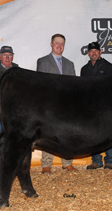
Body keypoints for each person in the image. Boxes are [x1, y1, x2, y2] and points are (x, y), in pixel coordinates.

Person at [37, 33, 77, 173]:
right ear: (51, 44)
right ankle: (46, 164)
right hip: (50, 105)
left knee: (67, 134)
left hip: (66, 105)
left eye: (62, 44)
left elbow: (74, 86)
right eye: (57, 43)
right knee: (48, 134)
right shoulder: (43, 61)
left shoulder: (69, 64)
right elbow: (41, 84)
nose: (59, 46)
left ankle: (67, 162)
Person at [81, 42, 112, 170]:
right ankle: (96, 160)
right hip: (90, 106)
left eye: (96, 51)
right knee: (93, 133)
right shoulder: (84, 69)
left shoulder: (109, 67)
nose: (94, 53)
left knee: (109, 132)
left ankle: (109, 160)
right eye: (91, 51)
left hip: (106, 105)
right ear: (88, 53)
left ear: (100, 52)